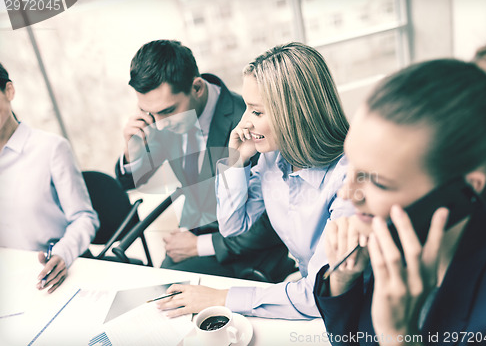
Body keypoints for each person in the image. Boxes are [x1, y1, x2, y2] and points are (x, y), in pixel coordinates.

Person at [158, 42, 353, 319]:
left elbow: (318, 293)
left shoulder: (349, 179)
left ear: (294, 113)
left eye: (256, 111)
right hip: (306, 293)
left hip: (350, 308)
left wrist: (221, 298)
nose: (244, 122)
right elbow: (232, 225)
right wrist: (234, 161)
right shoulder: (274, 159)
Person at [314, 59, 486, 345]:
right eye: (352, 164)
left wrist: (401, 338)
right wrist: (343, 281)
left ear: (465, 188)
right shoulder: (391, 231)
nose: (346, 193)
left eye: (378, 181)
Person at [115, 39, 296, 281]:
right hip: (194, 238)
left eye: (167, 111)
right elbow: (135, 184)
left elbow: (274, 217)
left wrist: (200, 245)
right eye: (149, 112)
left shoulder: (251, 122)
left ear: (197, 88)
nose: (158, 124)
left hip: (248, 252)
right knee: (156, 287)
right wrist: (132, 151)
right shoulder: (164, 117)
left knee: (166, 289)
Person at [0, 62, 99, 293]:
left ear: (9, 91)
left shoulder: (51, 148)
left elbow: (85, 217)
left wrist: (62, 254)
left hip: (55, 273)